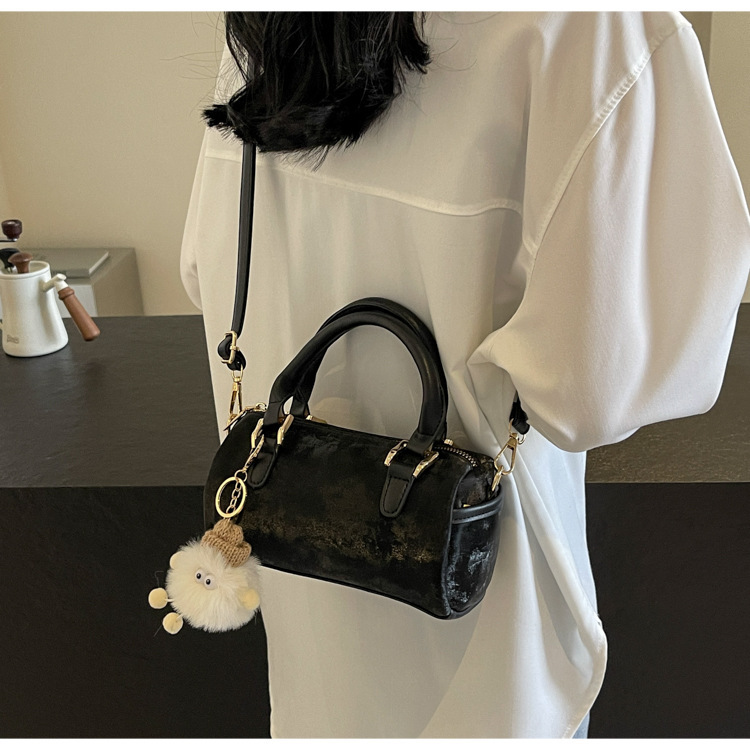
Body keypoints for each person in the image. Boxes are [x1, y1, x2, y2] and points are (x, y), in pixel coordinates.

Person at [181, 12, 750, 738]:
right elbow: (591, 393)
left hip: (308, 604)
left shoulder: (273, 27)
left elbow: (205, 270)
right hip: (485, 632)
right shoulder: (594, 29)